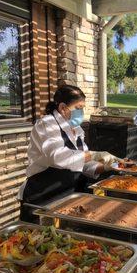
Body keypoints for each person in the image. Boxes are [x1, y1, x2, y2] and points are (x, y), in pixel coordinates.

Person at [19, 85, 119, 221]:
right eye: (78, 108)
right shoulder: (47, 124)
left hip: (68, 194)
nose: (82, 112)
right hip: (43, 196)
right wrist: (94, 154)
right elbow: (58, 157)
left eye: (82, 108)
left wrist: (108, 166)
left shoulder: (76, 129)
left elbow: (82, 163)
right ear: (63, 108)